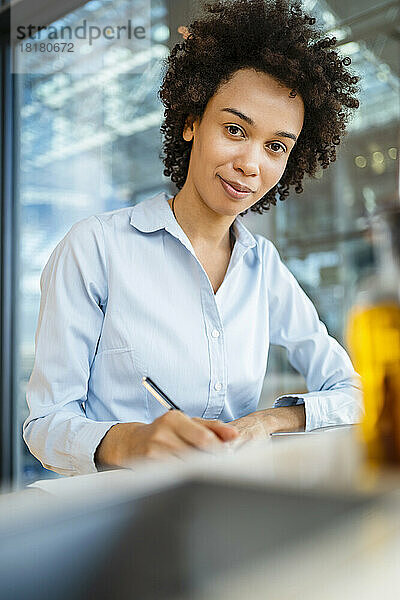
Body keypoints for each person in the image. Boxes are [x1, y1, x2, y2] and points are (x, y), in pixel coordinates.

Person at [24, 0, 363, 477]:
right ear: (190, 123)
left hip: (231, 500)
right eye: (233, 129)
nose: (251, 163)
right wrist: (134, 440)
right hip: (120, 516)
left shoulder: (261, 263)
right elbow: (45, 425)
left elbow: (354, 393)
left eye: (276, 146)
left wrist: (266, 422)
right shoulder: (95, 248)